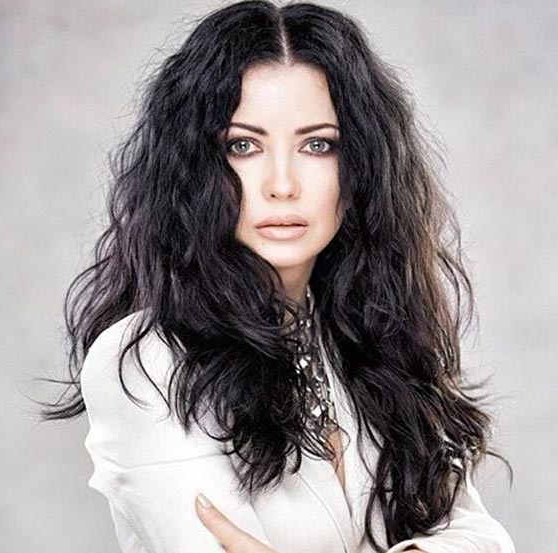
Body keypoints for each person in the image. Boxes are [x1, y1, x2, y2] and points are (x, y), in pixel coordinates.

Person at [38, 1, 516, 552]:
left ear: (359, 167)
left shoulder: (376, 340)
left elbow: (481, 536)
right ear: (195, 169)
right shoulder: (146, 361)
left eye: (318, 145)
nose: (282, 184)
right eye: (243, 146)